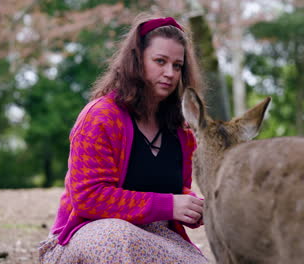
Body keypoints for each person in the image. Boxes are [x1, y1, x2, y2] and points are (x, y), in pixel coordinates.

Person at [38, 13, 208, 264]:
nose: (170, 73)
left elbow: (173, 191)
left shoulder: (182, 132)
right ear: (137, 60)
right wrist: (170, 205)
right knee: (117, 239)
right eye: (160, 61)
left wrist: (192, 206)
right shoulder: (100, 117)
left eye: (177, 65)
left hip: (157, 237)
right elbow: (88, 198)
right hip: (87, 234)